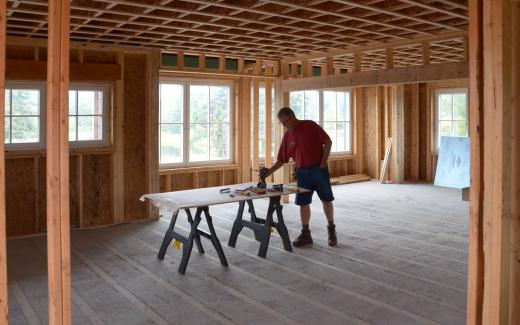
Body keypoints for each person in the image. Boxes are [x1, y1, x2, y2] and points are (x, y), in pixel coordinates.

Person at [263, 107, 337, 247]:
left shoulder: (310, 125)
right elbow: (282, 160)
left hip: (318, 169)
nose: (284, 126)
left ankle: (331, 230)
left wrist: (323, 162)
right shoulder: (288, 136)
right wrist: (268, 172)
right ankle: (305, 233)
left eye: (285, 123)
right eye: (282, 124)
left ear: (292, 117)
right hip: (302, 172)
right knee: (303, 203)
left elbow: (328, 141)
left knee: (326, 200)